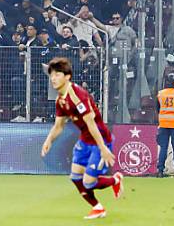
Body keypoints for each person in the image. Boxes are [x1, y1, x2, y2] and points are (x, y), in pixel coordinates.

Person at [40, 57, 122, 220]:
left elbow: (92, 124)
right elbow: (58, 126)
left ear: (67, 76)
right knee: (75, 177)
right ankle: (98, 208)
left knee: (88, 182)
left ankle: (114, 180)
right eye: (51, 75)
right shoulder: (60, 100)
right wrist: (48, 141)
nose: (53, 78)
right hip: (85, 141)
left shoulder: (77, 96)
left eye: (57, 74)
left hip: (100, 140)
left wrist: (104, 148)